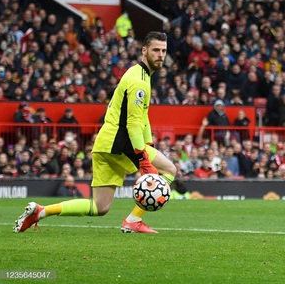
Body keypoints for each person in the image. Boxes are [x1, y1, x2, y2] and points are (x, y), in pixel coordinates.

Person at [14, 31, 177, 234]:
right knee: (170, 170)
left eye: (163, 51)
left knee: (100, 207)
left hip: (104, 143)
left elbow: (142, 117)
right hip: (120, 141)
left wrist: (149, 144)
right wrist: (144, 159)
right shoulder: (139, 81)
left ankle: (40, 212)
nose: (160, 55)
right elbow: (134, 123)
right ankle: (134, 220)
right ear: (144, 51)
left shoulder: (139, 74)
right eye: (156, 50)